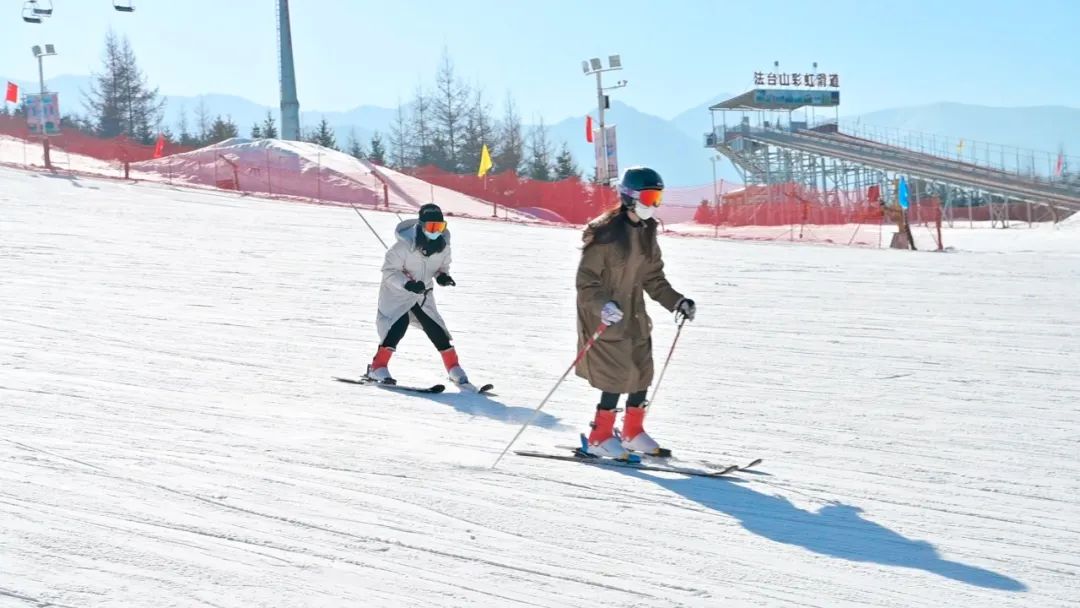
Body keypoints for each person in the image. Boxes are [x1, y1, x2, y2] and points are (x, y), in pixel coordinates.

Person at [575, 166, 696, 459]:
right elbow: (586, 282)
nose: (654, 204)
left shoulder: (647, 232)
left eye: (658, 197)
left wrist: (677, 302)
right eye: (649, 197)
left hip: (635, 316)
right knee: (618, 375)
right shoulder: (603, 235)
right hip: (606, 318)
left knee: (642, 372)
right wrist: (602, 305)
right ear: (630, 197)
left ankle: (632, 433)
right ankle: (599, 437)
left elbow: (653, 278)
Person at [366, 203, 470, 386]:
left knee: (435, 328)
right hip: (396, 295)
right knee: (397, 327)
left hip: (423, 295)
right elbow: (389, 272)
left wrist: (442, 277)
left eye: (440, 227)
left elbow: (441, 268)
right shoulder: (402, 247)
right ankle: (377, 367)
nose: (435, 231)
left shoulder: (443, 247)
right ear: (421, 226)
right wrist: (407, 284)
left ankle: (454, 368)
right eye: (431, 227)